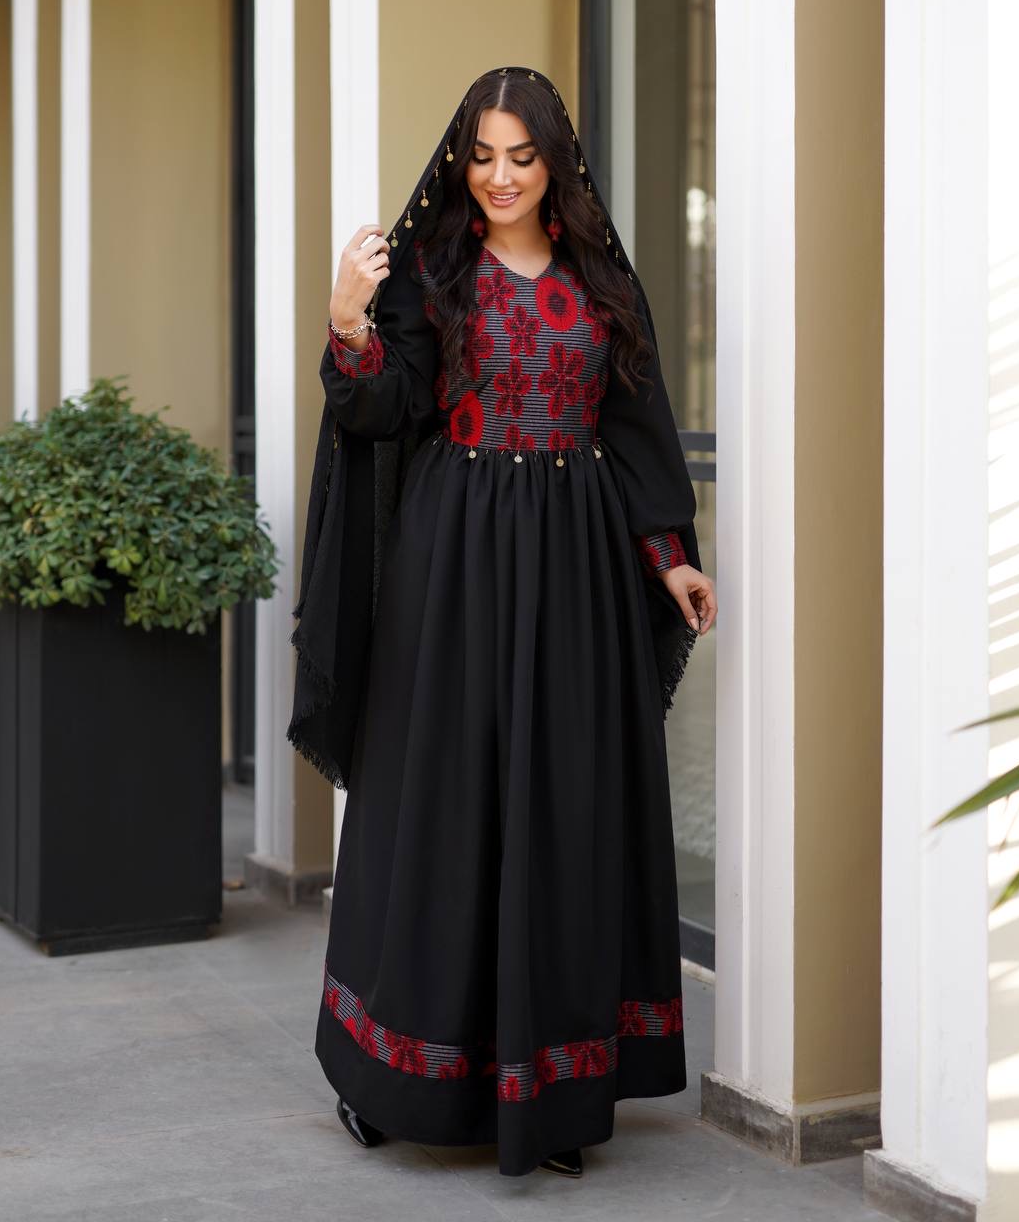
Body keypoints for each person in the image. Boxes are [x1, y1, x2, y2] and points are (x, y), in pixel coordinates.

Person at [288, 65, 718, 1180]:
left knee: (563, 811)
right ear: (460, 159)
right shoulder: (432, 274)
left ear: (554, 161)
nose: (499, 176)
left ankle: (554, 1089)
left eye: (521, 155)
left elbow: (635, 429)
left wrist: (668, 557)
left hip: (575, 567)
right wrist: (347, 319)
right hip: (453, 564)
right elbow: (384, 408)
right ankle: (390, 1078)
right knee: (438, 811)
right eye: (481, 155)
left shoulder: (600, 279)